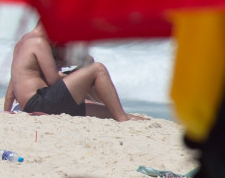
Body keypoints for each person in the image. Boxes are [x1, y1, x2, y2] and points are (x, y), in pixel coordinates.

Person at [7, 22, 138, 120]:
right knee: (98, 69)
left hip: (38, 103)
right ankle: (123, 120)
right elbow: (53, 80)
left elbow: (12, 83)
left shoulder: (24, 41)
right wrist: (68, 76)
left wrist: (6, 111)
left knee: (109, 112)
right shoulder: (39, 42)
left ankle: (124, 116)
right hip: (41, 103)